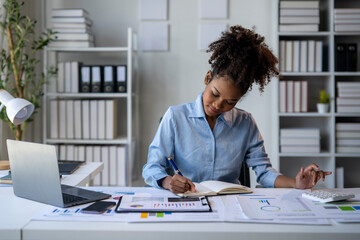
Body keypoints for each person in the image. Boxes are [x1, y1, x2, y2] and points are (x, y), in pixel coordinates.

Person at [142, 25, 332, 194]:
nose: (218, 105)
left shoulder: (245, 123)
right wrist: (168, 182)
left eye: (230, 102)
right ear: (208, 78)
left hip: (232, 203)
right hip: (189, 201)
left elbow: (264, 172)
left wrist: (295, 183)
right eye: (215, 94)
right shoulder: (176, 117)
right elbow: (151, 167)